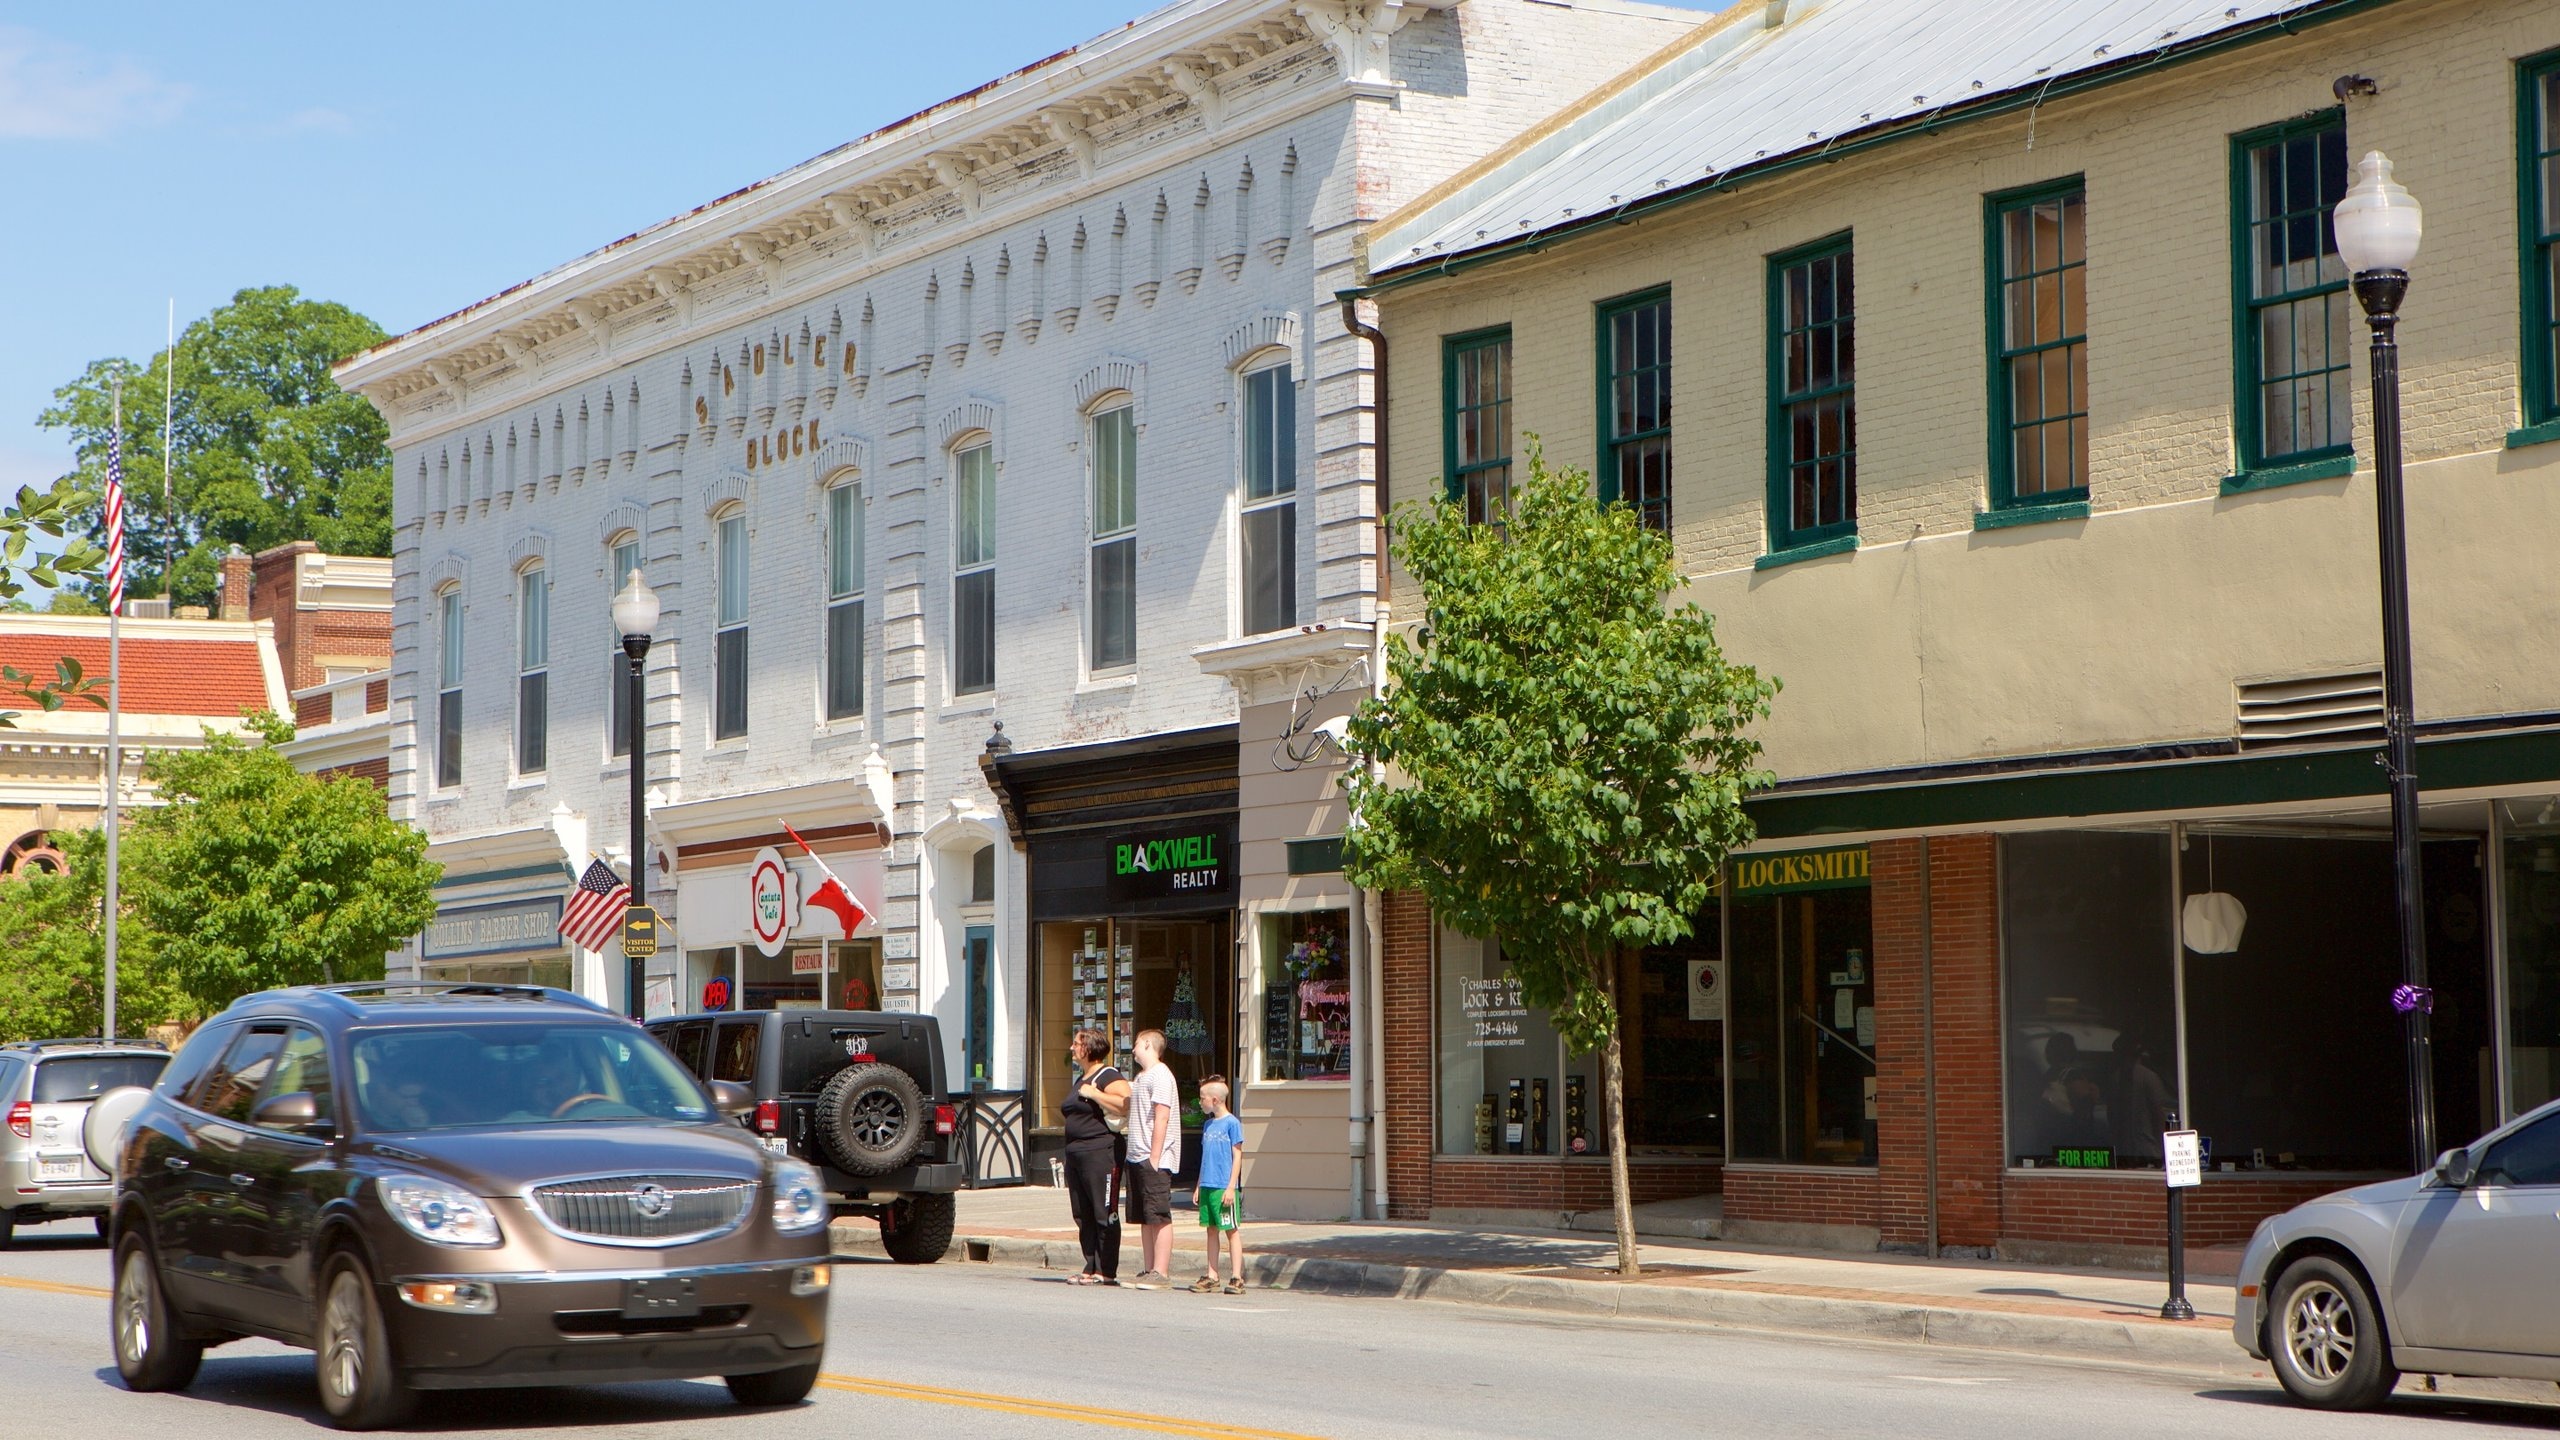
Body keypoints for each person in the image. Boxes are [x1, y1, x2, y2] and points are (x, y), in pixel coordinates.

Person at [1059, 1028, 1131, 1286]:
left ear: (1089, 1047)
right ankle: (1090, 1266)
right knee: (1083, 1212)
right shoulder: (1082, 1077)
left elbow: (1126, 1102)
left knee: (1104, 1210)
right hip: (1076, 1153)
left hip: (1101, 1151)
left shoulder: (1106, 1074)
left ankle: (1106, 1270)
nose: (1072, 1048)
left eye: (1076, 1043)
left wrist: (1096, 1094)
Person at [1121, 1028, 1181, 1290]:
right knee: (1144, 1216)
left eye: (1136, 1044)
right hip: (1136, 1155)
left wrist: (1155, 1157)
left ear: (1147, 1044)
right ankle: (1149, 1268)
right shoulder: (1142, 1077)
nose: (1133, 1049)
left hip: (1153, 1156)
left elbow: (1162, 1115)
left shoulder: (1161, 1075)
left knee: (1158, 1214)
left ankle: (1161, 1271)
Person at [1189, 1076, 1247, 1295]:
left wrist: (1231, 1186)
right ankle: (1212, 1275)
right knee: (1211, 1229)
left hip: (1224, 1186)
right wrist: (1198, 1185)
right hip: (1207, 1185)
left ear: (1215, 1100)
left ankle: (1236, 1276)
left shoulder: (1232, 1123)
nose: (1200, 1102)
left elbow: (1237, 1155)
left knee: (1230, 1229)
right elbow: (1206, 1157)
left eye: (1202, 1098)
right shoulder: (1207, 1124)